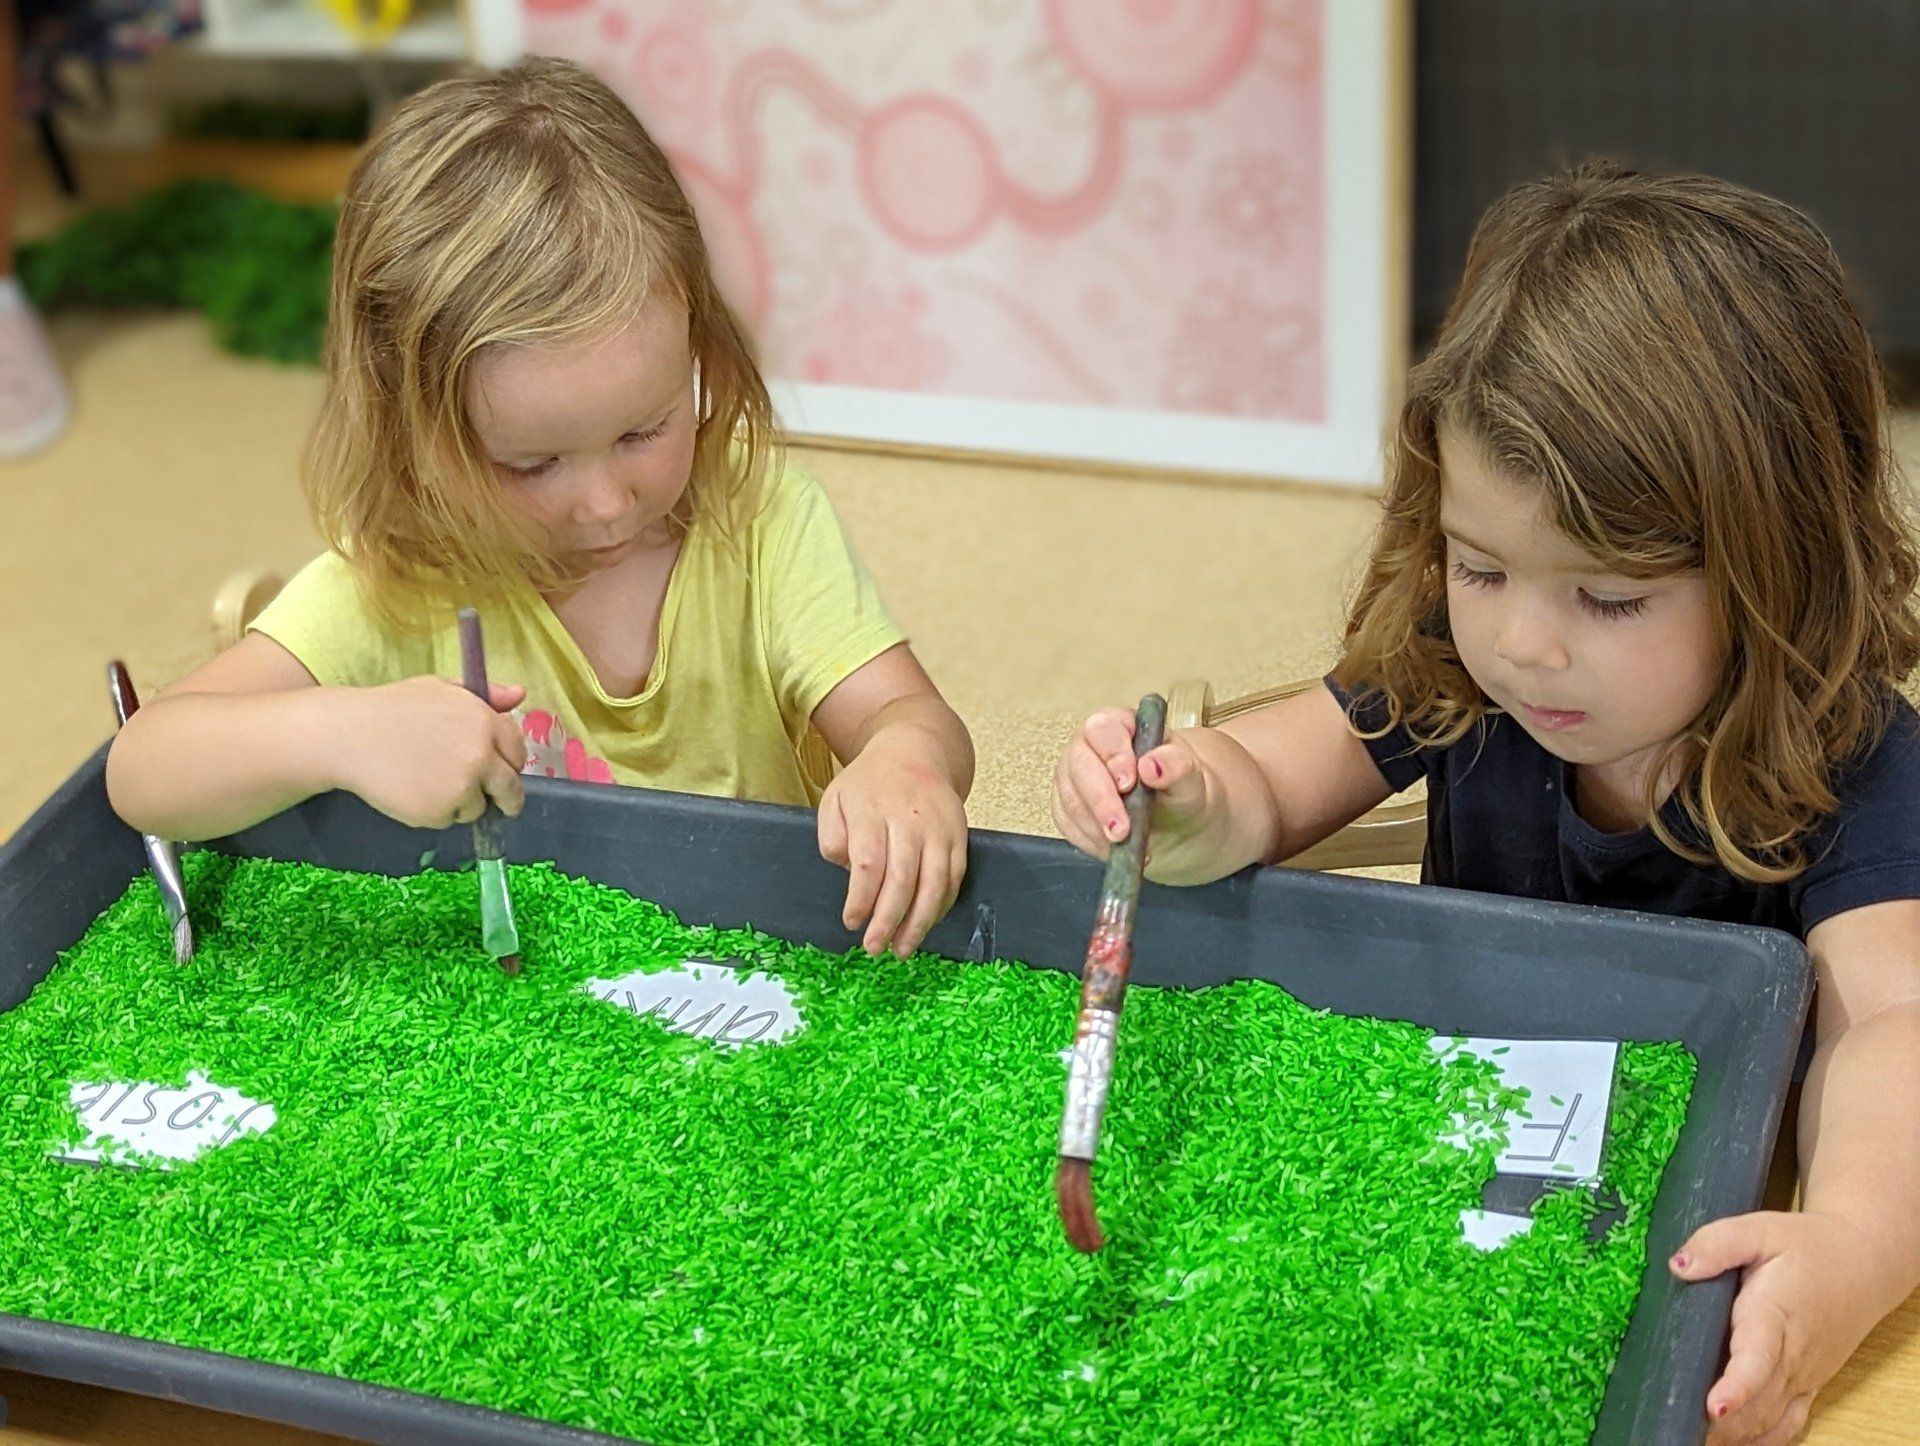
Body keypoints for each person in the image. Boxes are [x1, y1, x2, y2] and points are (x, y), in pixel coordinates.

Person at [1053, 162, 1920, 1443]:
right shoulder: (1458, 669)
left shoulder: (1854, 757)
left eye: (1608, 598)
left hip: (1669, 1229)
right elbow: (1273, 781)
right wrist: (1188, 801)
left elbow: (1891, 1027)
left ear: (1775, 568)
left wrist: (1850, 1247)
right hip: (1435, 1167)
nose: (1525, 645)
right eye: (1482, 564)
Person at [107, 58, 974, 960]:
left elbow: (907, 717)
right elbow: (143, 768)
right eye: (530, 464)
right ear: (411, 435)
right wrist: (343, 732)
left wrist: (904, 763)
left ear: (699, 347)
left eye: (646, 431)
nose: (605, 505)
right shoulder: (396, 581)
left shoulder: (762, 520)